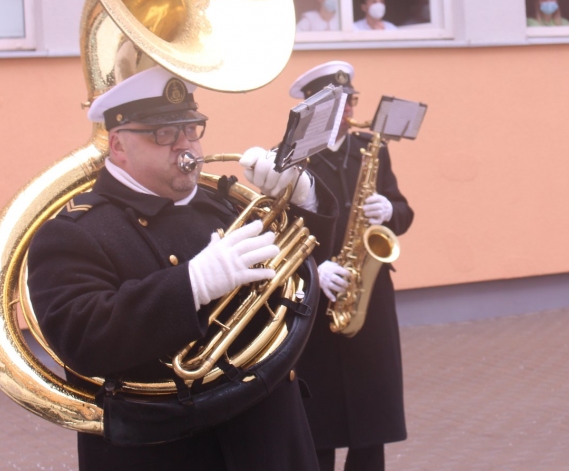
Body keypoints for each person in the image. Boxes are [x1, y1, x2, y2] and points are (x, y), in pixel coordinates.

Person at [27, 65, 337, 471]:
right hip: (173, 452)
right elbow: (82, 338)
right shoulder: (75, 232)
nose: (186, 146)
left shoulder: (223, 203)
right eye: (164, 134)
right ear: (118, 146)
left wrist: (303, 196)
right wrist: (190, 284)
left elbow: (295, 269)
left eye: (192, 129)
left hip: (272, 437)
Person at [289, 61, 414, 471]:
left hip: (369, 295)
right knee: (319, 424)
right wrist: (313, 267)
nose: (349, 112)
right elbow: (277, 233)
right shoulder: (292, 158)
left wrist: (389, 210)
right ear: (315, 109)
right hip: (317, 293)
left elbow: (405, 213)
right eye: (339, 105)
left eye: (351, 102)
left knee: (371, 420)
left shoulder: (369, 148)